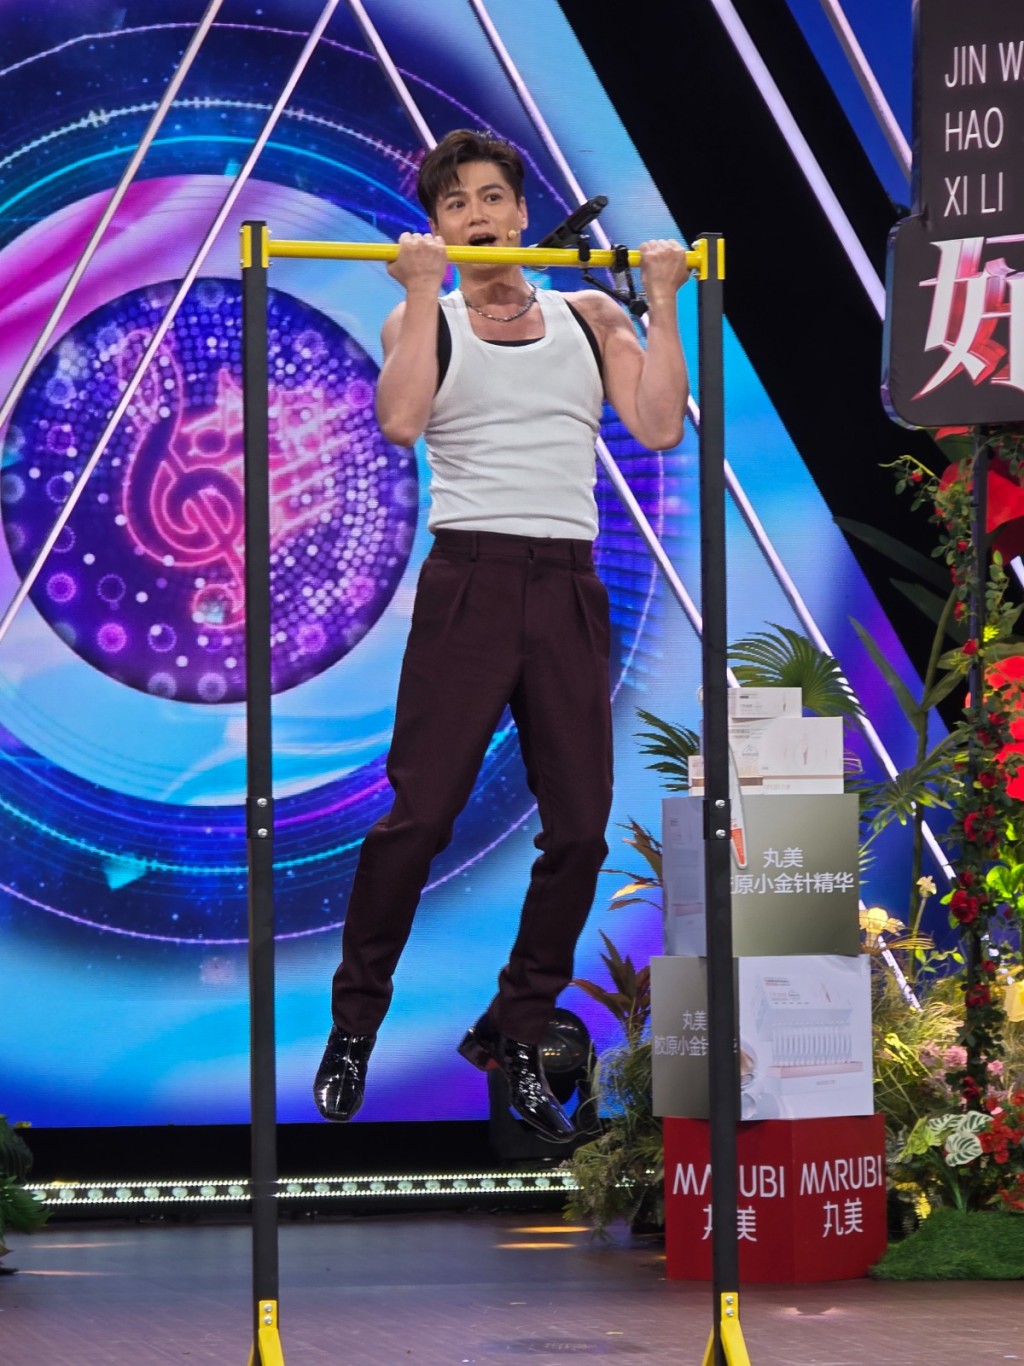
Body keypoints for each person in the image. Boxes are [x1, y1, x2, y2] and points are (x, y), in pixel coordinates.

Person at [314, 128, 690, 1140]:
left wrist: (661, 304)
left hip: (567, 583)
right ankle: (356, 1021)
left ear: (522, 213)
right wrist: (421, 292)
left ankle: (516, 1029)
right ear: (438, 227)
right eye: (456, 204)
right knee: (419, 817)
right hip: (469, 582)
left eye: (492, 198)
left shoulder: (589, 314)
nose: (478, 216)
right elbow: (400, 421)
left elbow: (659, 425)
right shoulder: (421, 316)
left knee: (580, 829)